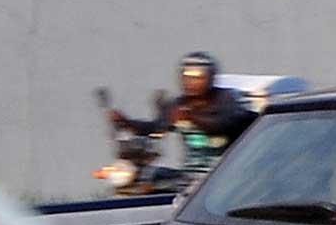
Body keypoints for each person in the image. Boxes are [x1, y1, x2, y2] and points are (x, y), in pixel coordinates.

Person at [106, 52, 258, 157]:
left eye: (198, 77)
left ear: (211, 77)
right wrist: (126, 122)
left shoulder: (228, 99)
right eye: (186, 77)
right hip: (190, 175)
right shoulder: (180, 104)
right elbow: (156, 128)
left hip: (224, 173)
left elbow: (225, 125)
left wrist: (192, 117)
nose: (191, 83)